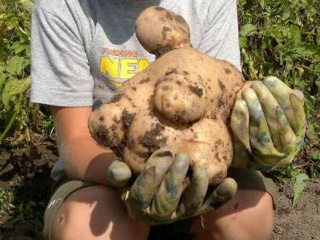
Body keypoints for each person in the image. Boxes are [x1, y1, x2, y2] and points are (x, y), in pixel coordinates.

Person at [30, 0, 306, 239]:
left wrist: (257, 148)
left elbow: (222, 105)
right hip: (105, 166)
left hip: (202, 159)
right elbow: (76, 139)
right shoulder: (62, 6)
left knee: (246, 219)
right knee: (88, 230)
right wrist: (132, 180)